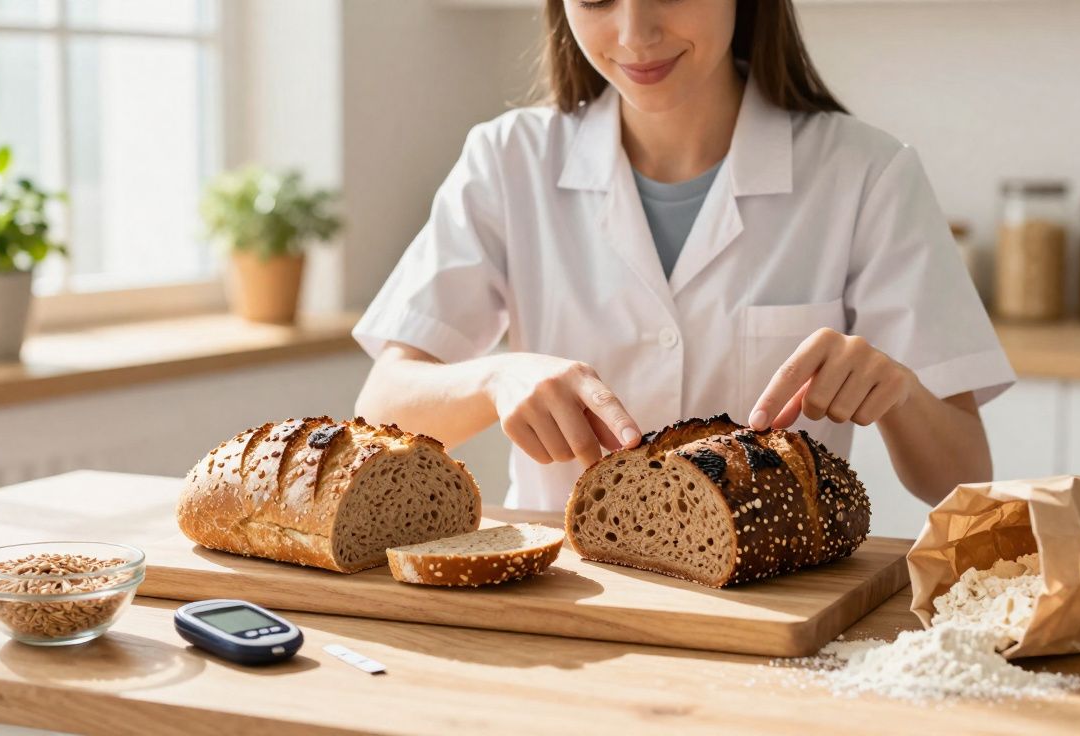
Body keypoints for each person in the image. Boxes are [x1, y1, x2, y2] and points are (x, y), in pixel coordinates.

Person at [352, 0, 1014, 512]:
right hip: (567, 601)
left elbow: (961, 475)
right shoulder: (508, 160)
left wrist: (895, 390)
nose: (635, 34)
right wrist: (496, 380)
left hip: (777, 599)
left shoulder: (866, 173)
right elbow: (382, 408)